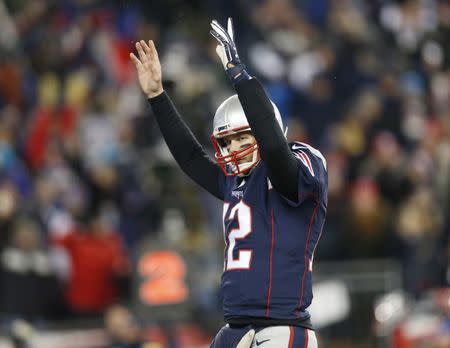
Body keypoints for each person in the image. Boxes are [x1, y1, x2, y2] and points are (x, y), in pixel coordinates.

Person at [130, 18, 327, 348]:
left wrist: (239, 76)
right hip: (234, 327)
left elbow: (276, 151)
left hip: (282, 327)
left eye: (241, 138)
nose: (233, 149)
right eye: (227, 142)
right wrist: (157, 97)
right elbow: (192, 159)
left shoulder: (301, 160)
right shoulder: (236, 181)